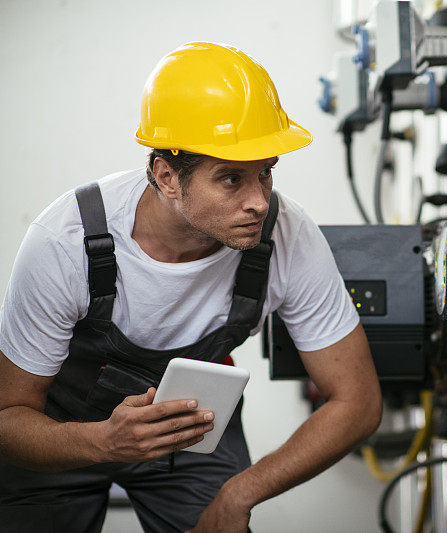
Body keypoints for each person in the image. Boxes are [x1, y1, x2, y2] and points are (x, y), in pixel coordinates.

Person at [0, 41, 382, 533]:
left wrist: (239, 494)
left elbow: (358, 402)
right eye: (230, 179)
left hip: (192, 435)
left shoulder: (287, 235)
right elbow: (8, 420)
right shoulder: (67, 241)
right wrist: (103, 441)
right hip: (56, 437)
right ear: (166, 176)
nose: (259, 202)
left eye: (265, 174)